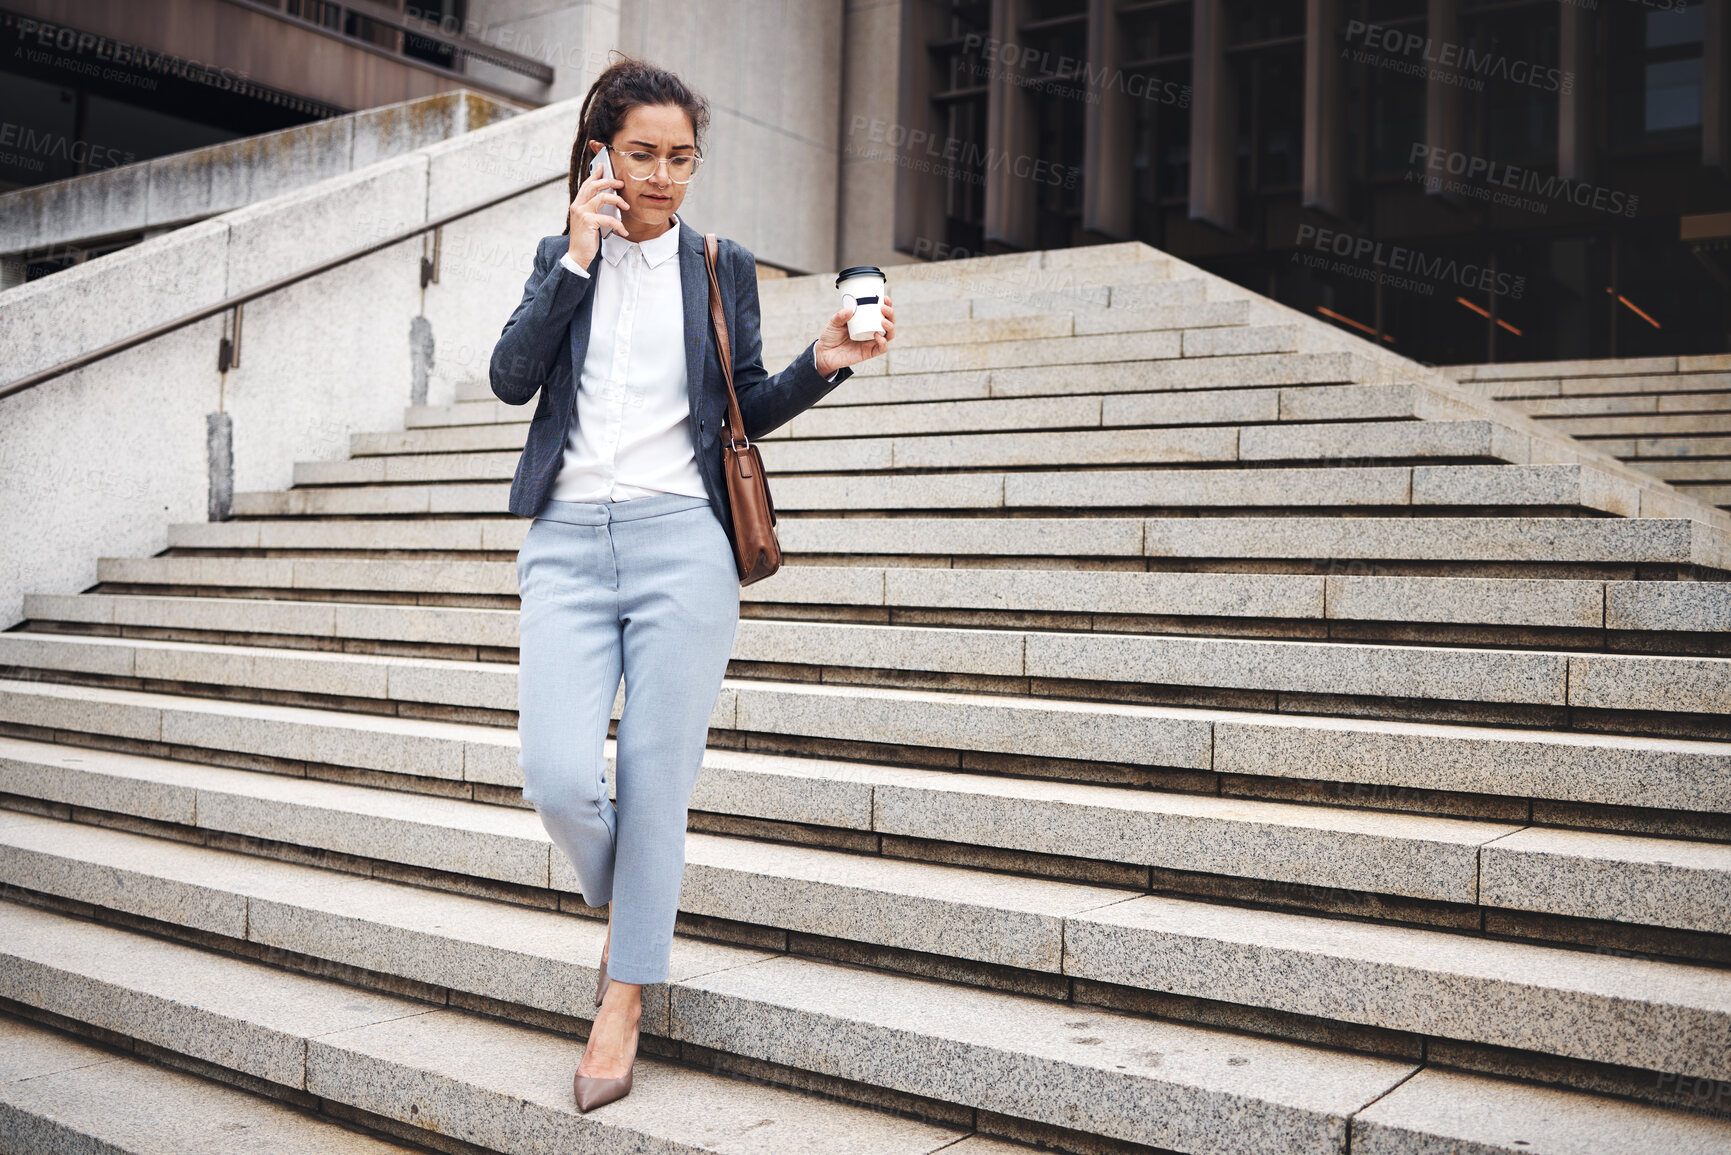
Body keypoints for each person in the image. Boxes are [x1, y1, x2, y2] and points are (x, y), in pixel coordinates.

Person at [487, 52, 895, 1113]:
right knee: (559, 776)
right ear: (599, 155)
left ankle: (622, 998)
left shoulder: (721, 264)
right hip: (569, 543)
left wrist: (825, 361)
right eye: (641, 154)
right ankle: (640, 917)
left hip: (686, 545)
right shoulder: (557, 252)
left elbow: (743, 409)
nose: (663, 175)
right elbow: (507, 378)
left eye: (680, 157)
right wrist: (576, 257)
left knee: (657, 784)